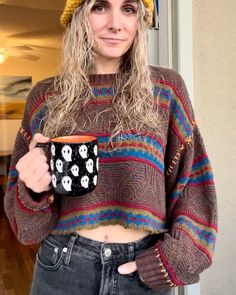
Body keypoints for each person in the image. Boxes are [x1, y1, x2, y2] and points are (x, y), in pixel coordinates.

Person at [4, 0, 218, 294]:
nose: (116, 23)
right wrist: (32, 190)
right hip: (63, 266)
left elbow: (194, 184)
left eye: (129, 9)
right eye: (100, 7)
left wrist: (170, 261)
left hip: (139, 271)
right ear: (79, 16)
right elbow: (28, 230)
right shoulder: (45, 97)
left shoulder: (166, 90)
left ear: (139, 21)